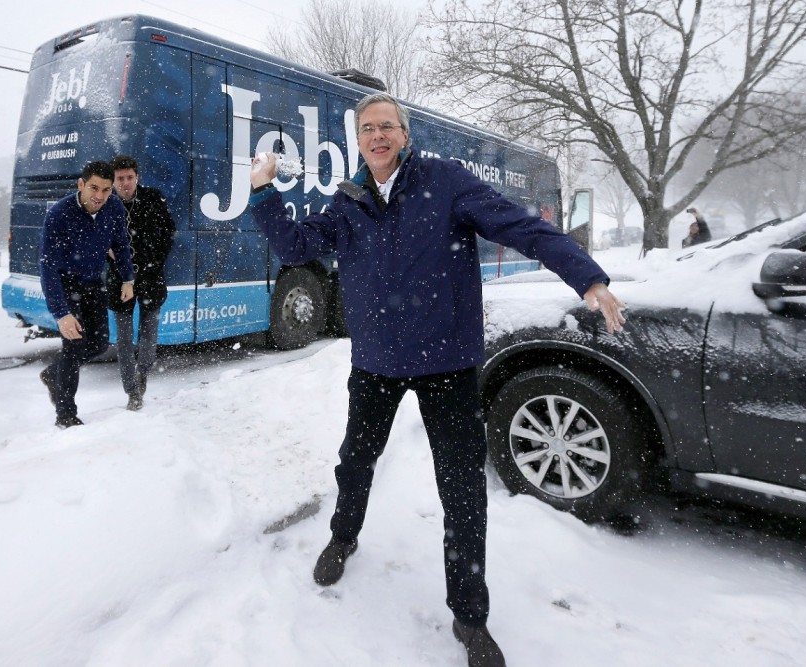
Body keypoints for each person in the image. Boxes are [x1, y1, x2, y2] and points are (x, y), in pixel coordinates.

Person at [249, 92, 626, 667]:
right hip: (375, 362)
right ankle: (344, 536)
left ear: (405, 133)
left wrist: (588, 278)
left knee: (462, 489)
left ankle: (470, 617)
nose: (378, 136)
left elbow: (522, 228)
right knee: (356, 461)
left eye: (388, 127)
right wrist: (263, 191)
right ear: (359, 141)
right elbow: (295, 246)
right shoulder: (348, 201)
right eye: (368, 129)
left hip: (447, 362)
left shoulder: (446, 182)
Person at [39, 161, 134, 429]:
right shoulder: (59, 214)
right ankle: (66, 414)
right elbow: (47, 267)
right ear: (81, 185)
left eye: (106, 189)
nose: (100, 196)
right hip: (66, 285)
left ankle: (52, 374)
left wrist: (128, 278)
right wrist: (62, 314)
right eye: (94, 188)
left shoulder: (113, 207)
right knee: (73, 347)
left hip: (93, 284)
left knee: (100, 343)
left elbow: (120, 243)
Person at [107, 155, 176, 411]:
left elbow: (169, 230)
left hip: (151, 278)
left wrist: (155, 261)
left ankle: (143, 372)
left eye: (129, 178)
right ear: (113, 180)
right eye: (119, 179)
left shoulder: (152, 198)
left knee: (149, 338)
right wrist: (108, 251)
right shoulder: (107, 203)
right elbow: (96, 236)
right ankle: (132, 392)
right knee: (124, 340)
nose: (124, 183)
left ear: (137, 177)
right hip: (119, 281)